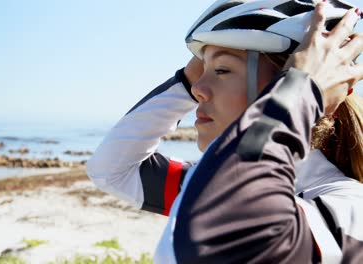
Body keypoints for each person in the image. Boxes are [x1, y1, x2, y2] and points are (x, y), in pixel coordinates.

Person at [87, 0, 363, 262]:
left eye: (221, 70)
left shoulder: (349, 208)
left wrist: (304, 89)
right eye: (200, 73)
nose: (196, 91)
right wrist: (184, 81)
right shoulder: (207, 181)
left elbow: (224, 237)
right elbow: (112, 170)